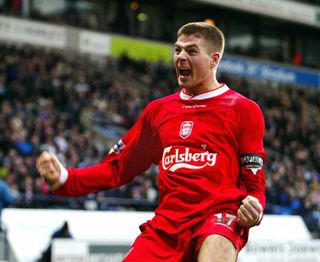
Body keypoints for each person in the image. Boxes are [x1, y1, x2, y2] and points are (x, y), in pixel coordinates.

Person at [36, 22, 266, 262]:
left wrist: (255, 210)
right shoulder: (159, 112)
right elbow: (116, 169)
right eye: (178, 50)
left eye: (192, 51)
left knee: (216, 246)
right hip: (168, 226)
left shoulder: (243, 110)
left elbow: (255, 186)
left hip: (219, 219)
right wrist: (64, 178)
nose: (181, 57)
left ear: (214, 59)